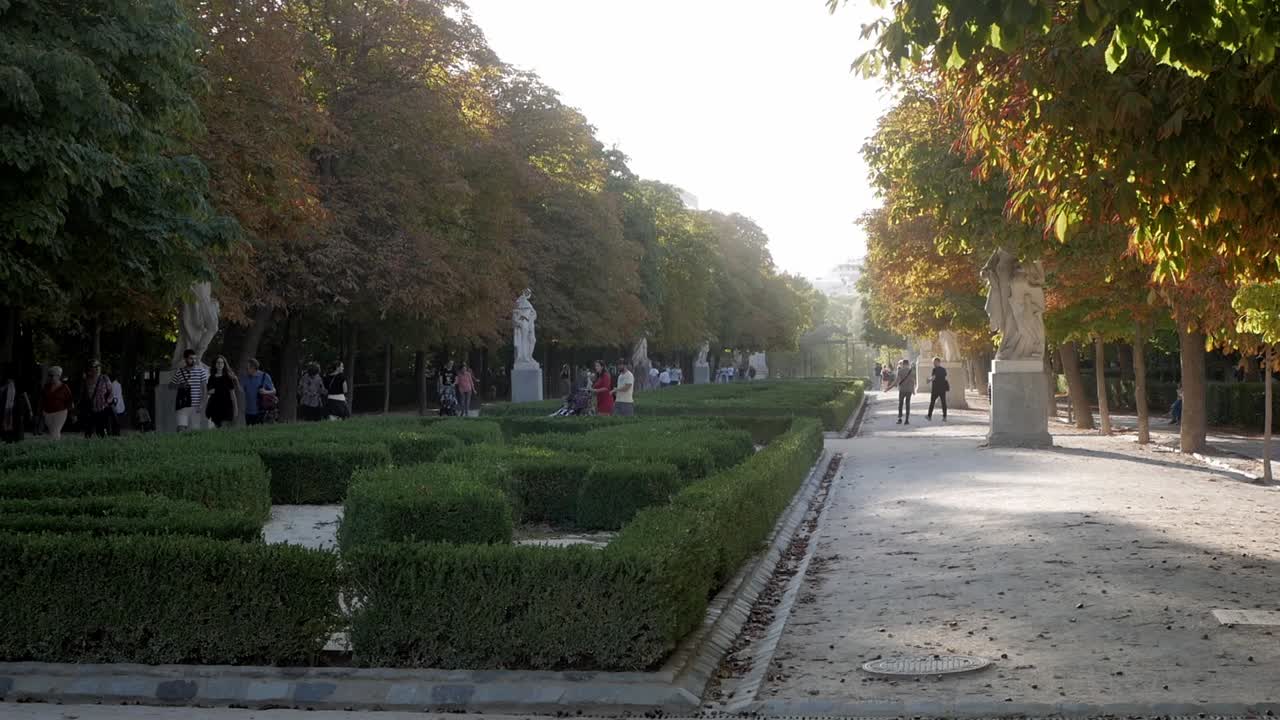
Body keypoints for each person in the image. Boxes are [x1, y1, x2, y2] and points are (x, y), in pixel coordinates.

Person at [170, 349, 209, 432]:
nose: (194, 361)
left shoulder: (201, 371)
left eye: (195, 358)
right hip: (182, 404)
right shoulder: (179, 372)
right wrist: (181, 385)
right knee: (181, 429)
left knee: (195, 430)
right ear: (185, 359)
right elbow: (171, 386)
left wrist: (202, 404)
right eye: (191, 358)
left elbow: (204, 389)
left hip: (196, 406)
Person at [81, 360, 115, 438]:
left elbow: (111, 392)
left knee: (101, 430)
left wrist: (107, 402)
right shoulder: (87, 379)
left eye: (98, 366)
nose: (97, 369)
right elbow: (83, 394)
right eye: (94, 367)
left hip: (101, 408)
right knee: (88, 431)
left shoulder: (104, 378)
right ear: (90, 368)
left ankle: (102, 446)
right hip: (90, 408)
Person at [1, 364, 32, 443]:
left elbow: (25, 396)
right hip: (7, 409)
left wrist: (30, 409)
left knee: (16, 425)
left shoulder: (18, 383)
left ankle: (15, 440)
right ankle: (8, 440)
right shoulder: (5, 385)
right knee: (7, 426)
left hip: (15, 409)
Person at [205, 355, 239, 428]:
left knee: (224, 428)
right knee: (217, 429)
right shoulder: (212, 377)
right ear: (215, 364)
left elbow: (232, 394)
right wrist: (210, 391)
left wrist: (236, 408)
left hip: (226, 406)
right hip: (214, 407)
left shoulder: (228, 377)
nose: (220, 364)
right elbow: (208, 391)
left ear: (224, 364)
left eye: (222, 363)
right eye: (218, 362)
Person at [240, 358, 276, 426]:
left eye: (247, 368)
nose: (246, 370)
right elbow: (241, 389)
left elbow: (274, 391)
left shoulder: (265, 376)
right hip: (248, 412)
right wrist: (235, 381)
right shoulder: (245, 378)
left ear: (253, 368)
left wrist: (265, 392)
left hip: (261, 411)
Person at [41, 366, 73, 440]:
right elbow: (42, 400)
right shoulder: (46, 387)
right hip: (47, 413)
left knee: (54, 432)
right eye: (49, 375)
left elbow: (70, 400)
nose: (50, 377)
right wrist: (40, 413)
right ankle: (57, 447)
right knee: (53, 432)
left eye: (52, 375)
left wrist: (72, 414)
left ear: (58, 376)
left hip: (60, 412)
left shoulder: (64, 387)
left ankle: (53, 447)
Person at [889, 358, 915, 425]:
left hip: (902, 390)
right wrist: (913, 390)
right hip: (909, 390)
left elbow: (896, 381)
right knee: (907, 404)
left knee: (901, 404)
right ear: (908, 364)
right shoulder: (911, 371)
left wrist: (889, 388)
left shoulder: (900, 371)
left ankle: (900, 419)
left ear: (903, 364)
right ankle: (907, 420)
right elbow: (912, 381)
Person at [926, 356, 949, 422]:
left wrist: (928, 380)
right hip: (942, 388)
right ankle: (944, 417)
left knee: (932, 402)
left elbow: (933, 377)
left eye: (935, 362)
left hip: (936, 389)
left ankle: (929, 416)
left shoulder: (934, 369)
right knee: (943, 403)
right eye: (933, 362)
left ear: (938, 362)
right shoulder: (943, 369)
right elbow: (944, 376)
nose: (934, 364)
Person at [108, 370, 126, 436]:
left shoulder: (114, 385)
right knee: (116, 420)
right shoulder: (116, 385)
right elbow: (116, 396)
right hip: (118, 405)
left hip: (116, 405)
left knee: (115, 420)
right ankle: (116, 433)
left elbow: (116, 396)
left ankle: (115, 433)